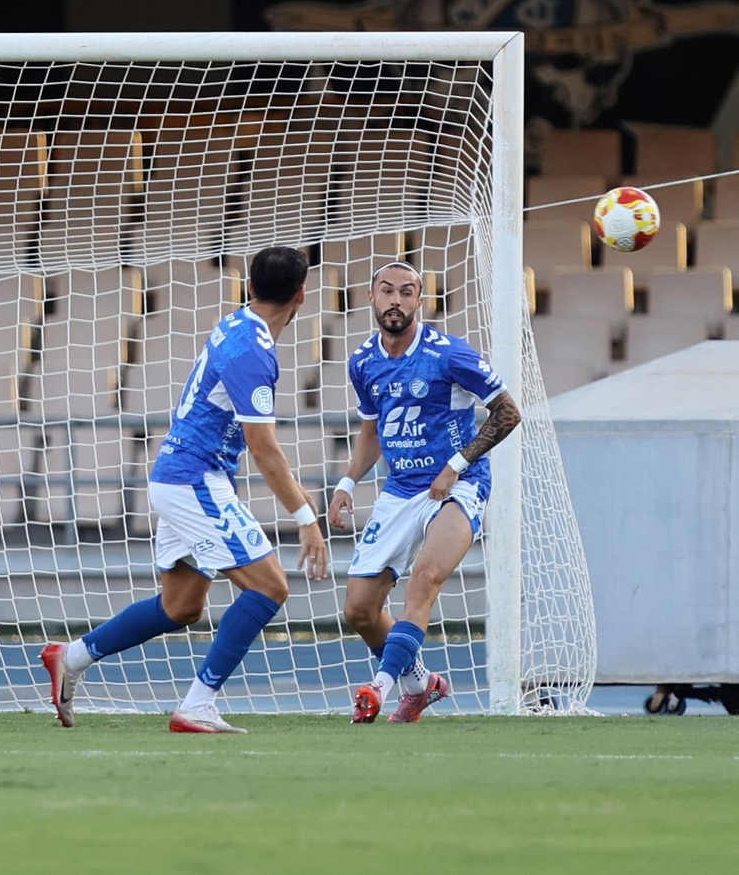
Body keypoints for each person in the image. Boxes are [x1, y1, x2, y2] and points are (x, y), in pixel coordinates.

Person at [40, 246, 329, 734]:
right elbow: (263, 448)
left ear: (250, 288)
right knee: (271, 586)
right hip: (195, 479)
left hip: (177, 475)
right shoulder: (253, 351)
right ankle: (197, 704)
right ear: (301, 295)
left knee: (181, 607)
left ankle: (71, 657)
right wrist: (306, 517)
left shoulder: (236, 324)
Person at [331, 261, 522, 724]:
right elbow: (372, 432)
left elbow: (508, 413)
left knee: (425, 578)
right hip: (400, 489)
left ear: (420, 301)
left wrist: (456, 465)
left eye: (406, 292)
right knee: (359, 609)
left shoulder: (449, 354)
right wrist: (346, 482)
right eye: (386, 291)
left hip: (458, 486)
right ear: (371, 298)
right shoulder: (363, 362)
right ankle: (420, 685)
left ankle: (379, 688)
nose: (395, 300)